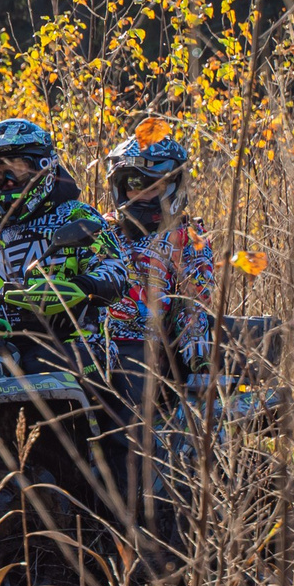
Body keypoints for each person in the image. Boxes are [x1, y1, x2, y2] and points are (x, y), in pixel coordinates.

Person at [0, 118, 130, 490]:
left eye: (17, 169)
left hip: (72, 343)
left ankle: (108, 507)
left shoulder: (76, 217)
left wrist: (79, 288)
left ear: (43, 167)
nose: (8, 181)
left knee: (96, 419)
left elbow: (116, 271)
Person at [97, 123, 217, 518]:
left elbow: (196, 305)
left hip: (148, 349)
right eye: (133, 183)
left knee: (119, 413)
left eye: (155, 184)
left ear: (173, 186)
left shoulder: (186, 238)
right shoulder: (98, 231)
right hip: (90, 341)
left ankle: (126, 511)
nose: (143, 194)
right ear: (118, 185)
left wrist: (198, 357)